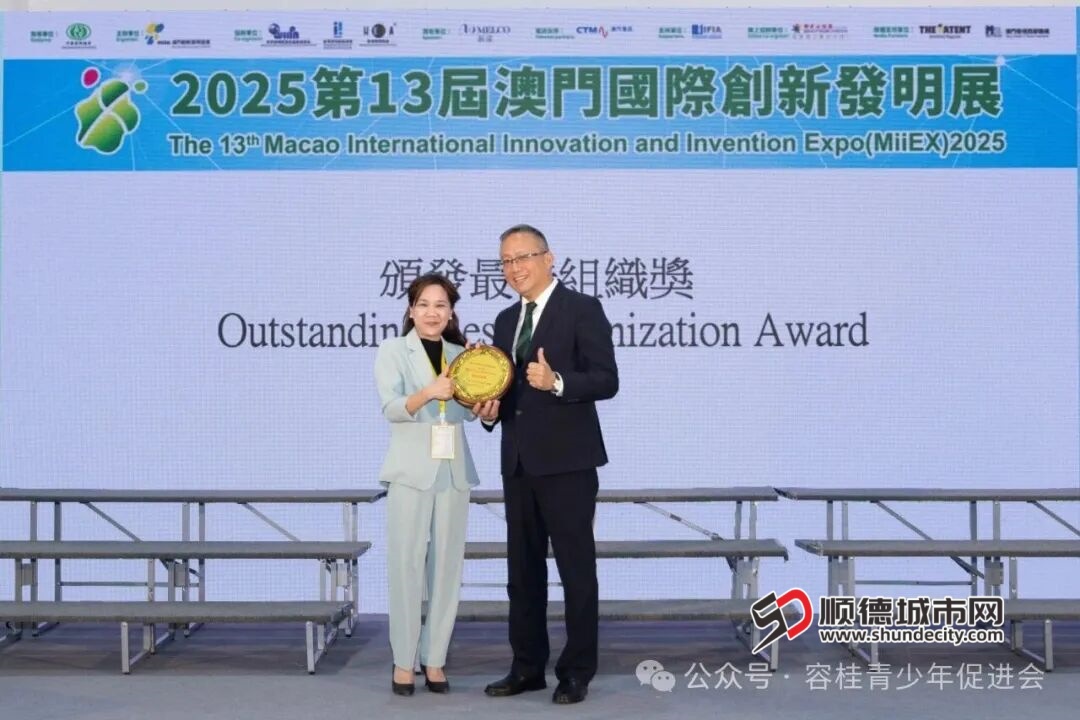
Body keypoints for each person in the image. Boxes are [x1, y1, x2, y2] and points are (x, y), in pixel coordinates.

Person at [476, 224, 619, 705]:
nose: (514, 268)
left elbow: (606, 379)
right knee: (522, 573)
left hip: (569, 463)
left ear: (548, 258)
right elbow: (507, 392)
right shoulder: (504, 320)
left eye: (523, 257)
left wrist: (557, 381)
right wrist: (489, 411)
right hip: (518, 463)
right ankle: (527, 667)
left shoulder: (582, 308)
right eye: (506, 261)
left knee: (576, 571)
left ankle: (576, 671)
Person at [374, 272, 493, 696]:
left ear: (451, 313)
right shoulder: (393, 350)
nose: (432, 312)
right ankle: (403, 661)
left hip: (454, 473)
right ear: (411, 310)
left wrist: (486, 409)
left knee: (447, 568)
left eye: (441, 305)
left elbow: (467, 413)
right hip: (410, 473)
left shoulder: (463, 355)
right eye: (424, 304)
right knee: (406, 566)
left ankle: (435, 659)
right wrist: (429, 392)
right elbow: (392, 408)